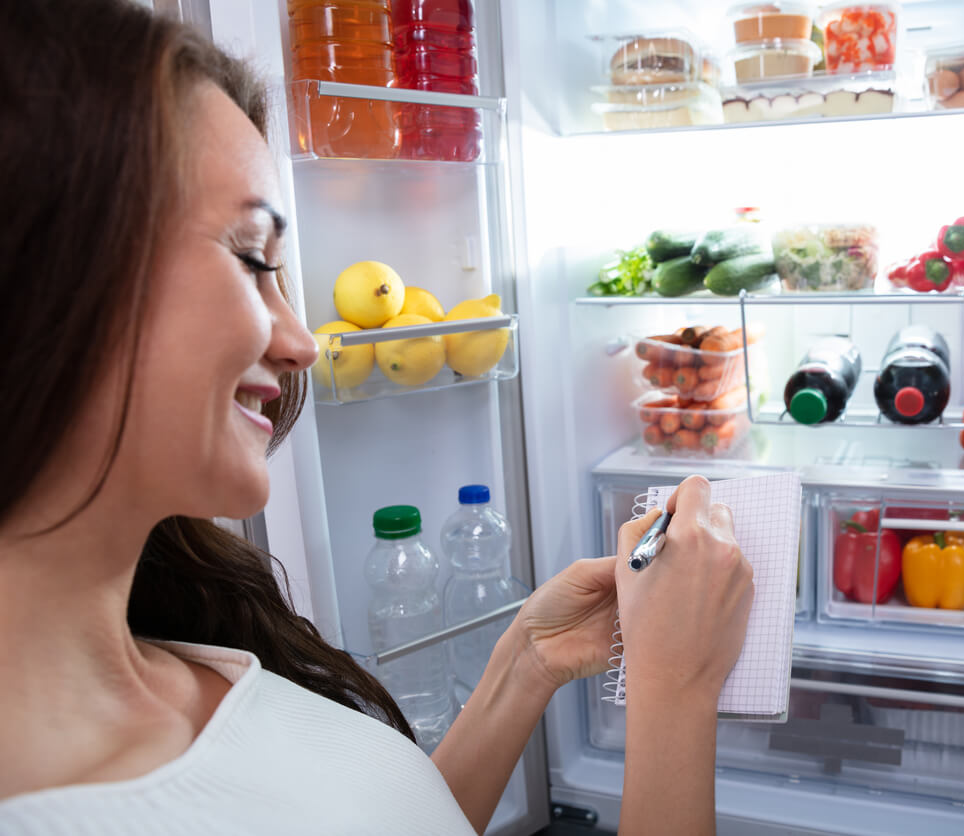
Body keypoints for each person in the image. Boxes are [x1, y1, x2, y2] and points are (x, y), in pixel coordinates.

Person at [0, 2, 754, 835]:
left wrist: (525, 661)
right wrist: (676, 685)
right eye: (251, 257)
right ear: (44, 274)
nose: (301, 343)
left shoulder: (184, 649)